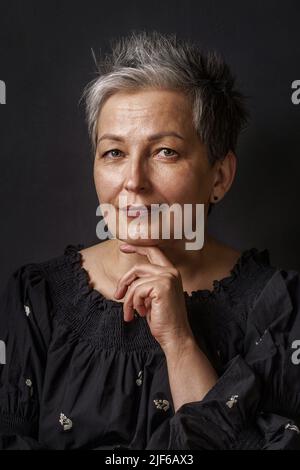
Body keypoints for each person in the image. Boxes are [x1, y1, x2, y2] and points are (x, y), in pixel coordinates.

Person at [0, 30, 300, 450]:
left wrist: (179, 343)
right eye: (114, 153)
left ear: (220, 177)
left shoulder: (280, 313)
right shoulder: (37, 299)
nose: (134, 182)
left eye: (165, 152)